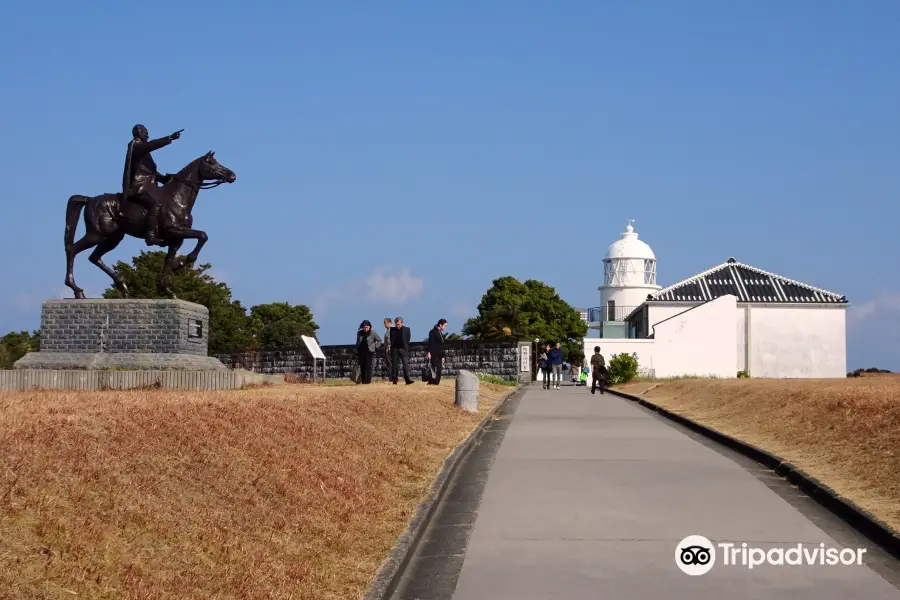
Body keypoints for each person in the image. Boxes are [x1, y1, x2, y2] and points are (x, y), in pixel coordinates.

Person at [123, 124, 182, 246]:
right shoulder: (137, 146)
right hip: (139, 188)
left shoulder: (142, 149)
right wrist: (169, 138)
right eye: (145, 132)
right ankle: (150, 236)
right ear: (138, 133)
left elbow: (150, 173)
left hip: (147, 186)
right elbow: (151, 145)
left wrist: (165, 179)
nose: (147, 135)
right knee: (156, 204)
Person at [389, 316, 413, 385]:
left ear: (402, 323)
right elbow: (391, 339)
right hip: (394, 349)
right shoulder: (392, 330)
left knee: (405, 364)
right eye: (396, 324)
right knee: (394, 365)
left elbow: (408, 339)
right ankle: (394, 380)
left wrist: (404, 347)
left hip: (403, 349)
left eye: (398, 324)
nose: (397, 326)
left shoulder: (407, 329)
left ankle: (407, 379)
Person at [426, 318, 448, 385]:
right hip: (434, 354)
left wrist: (443, 356)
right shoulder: (433, 332)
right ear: (440, 325)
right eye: (445, 325)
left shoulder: (440, 332)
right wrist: (429, 353)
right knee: (434, 369)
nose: (445, 327)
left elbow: (442, 345)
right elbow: (430, 343)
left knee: (438, 369)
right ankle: (432, 382)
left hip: (439, 354)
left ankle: (433, 382)